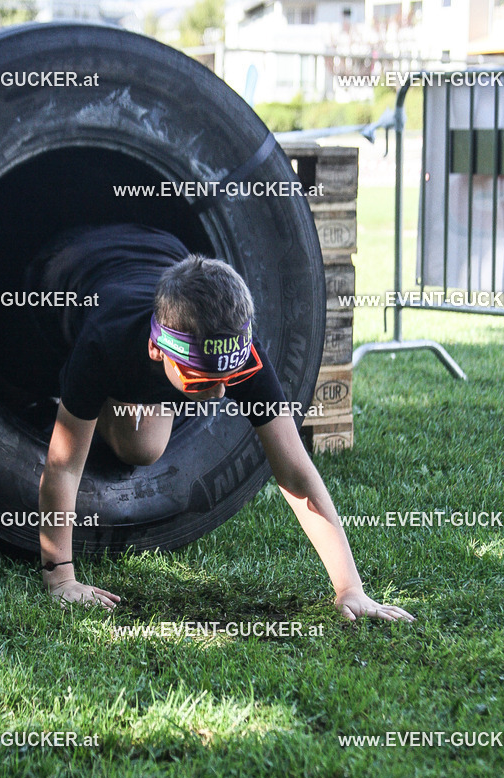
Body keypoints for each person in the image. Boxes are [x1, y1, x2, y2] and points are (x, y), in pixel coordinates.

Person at [32, 222, 414, 623]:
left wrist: (350, 587)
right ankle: (73, 401)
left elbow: (296, 473)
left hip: (163, 245)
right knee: (44, 395)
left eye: (225, 378)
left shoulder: (242, 354)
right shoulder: (103, 341)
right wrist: (60, 579)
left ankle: (95, 407)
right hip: (62, 268)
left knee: (143, 448)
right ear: (156, 349)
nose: (216, 394)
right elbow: (63, 465)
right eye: (200, 378)